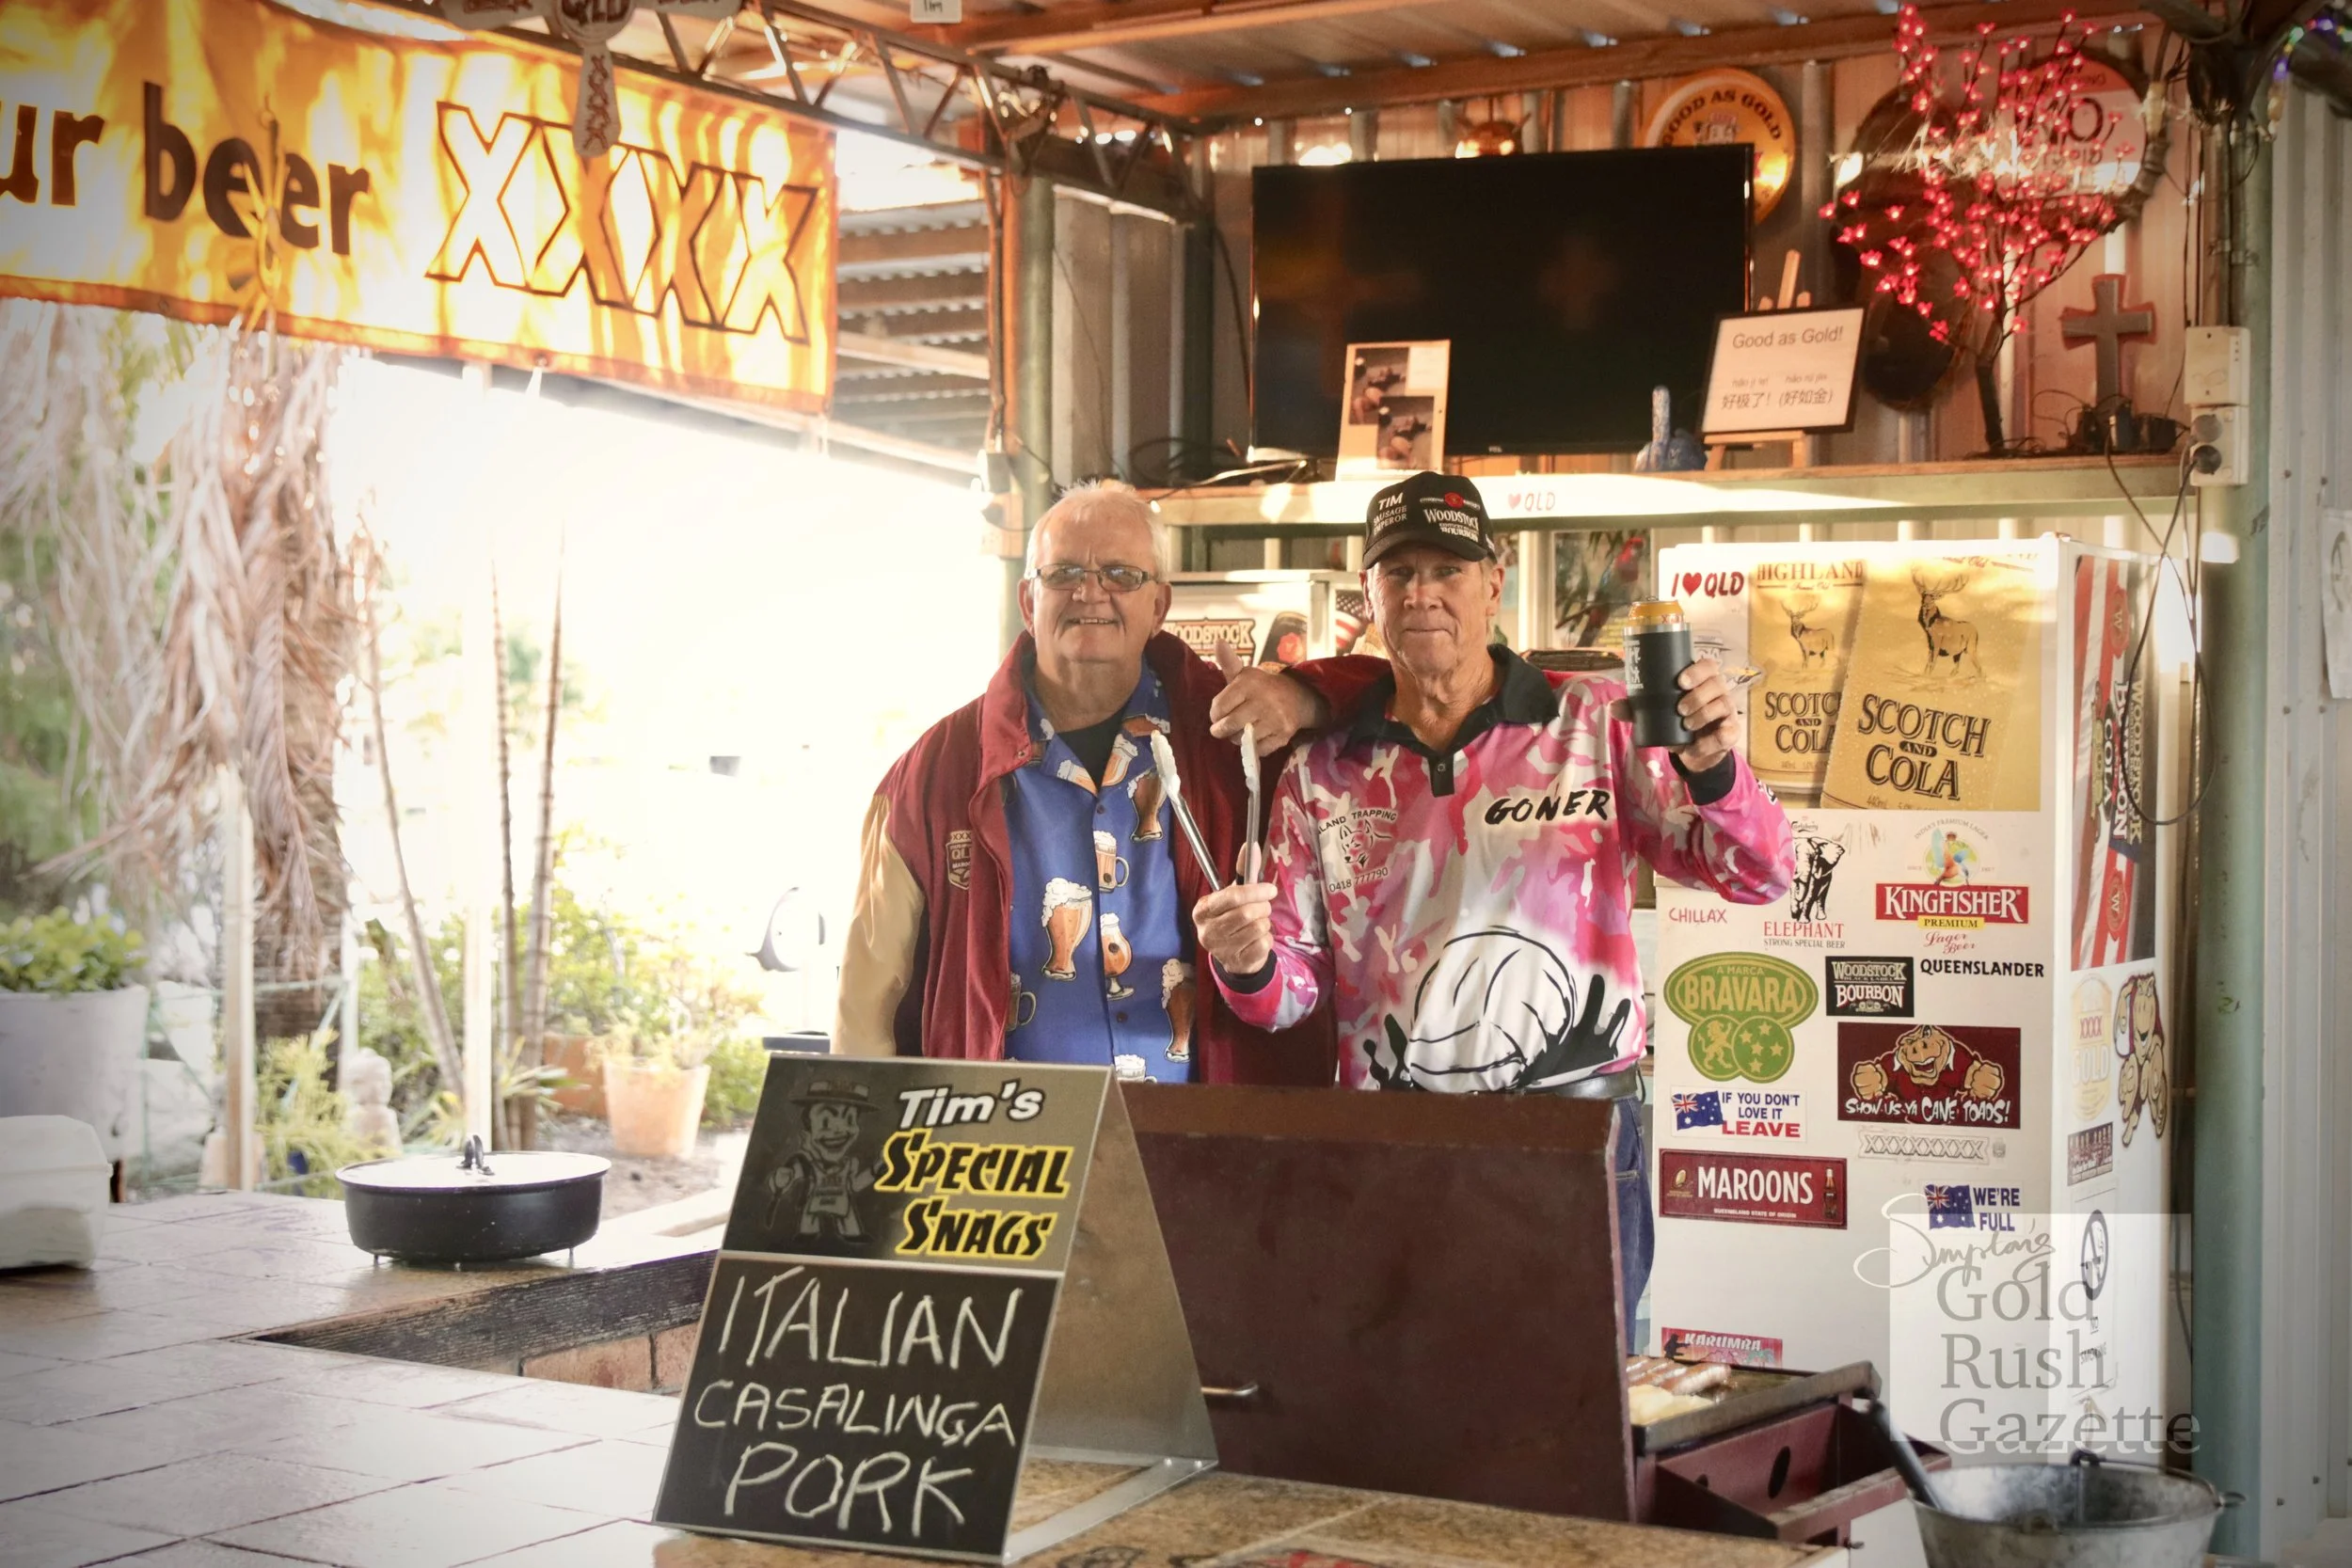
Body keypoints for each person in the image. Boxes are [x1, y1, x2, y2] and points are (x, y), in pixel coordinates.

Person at [1190, 471, 1794, 1338]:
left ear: (1493, 582)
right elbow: (1292, 995)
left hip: (1573, 1134)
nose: (1422, 593)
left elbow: (1760, 874)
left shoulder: (1591, 723)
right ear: (1369, 592)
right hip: (1393, 1146)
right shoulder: (1323, 774)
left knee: (1578, 1417)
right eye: (1397, 574)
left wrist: (1717, 771)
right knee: (1403, 1417)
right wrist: (1245, 960)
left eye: (1448, 569)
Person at [832, 483, 1356, 1085]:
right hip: (1009, 1155)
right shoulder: (930, 775)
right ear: (1029, 600)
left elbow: (1392, 703)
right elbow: (866, 1005)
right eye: (1064, 574)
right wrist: (865, 1147)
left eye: (1120, 574)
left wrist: (1307, 696)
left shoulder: (1239, 741)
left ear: (1159, 605)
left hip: (1199, 1150)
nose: (1090, 592)